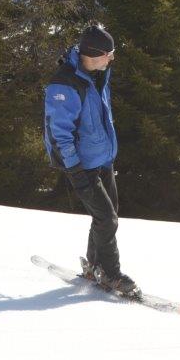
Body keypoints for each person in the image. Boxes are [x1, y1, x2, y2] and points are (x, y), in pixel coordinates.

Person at [43, 25, 139, 297]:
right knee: (106, 218)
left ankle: (94, 265)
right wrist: (74, 168)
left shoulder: (98, 74)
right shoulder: (65, 84)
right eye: (109, 53)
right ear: (94, 54)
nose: (112, 58)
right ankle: (110, 274)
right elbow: (60, 133)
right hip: (81, 165)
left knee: (107, 216)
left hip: (102, 159)